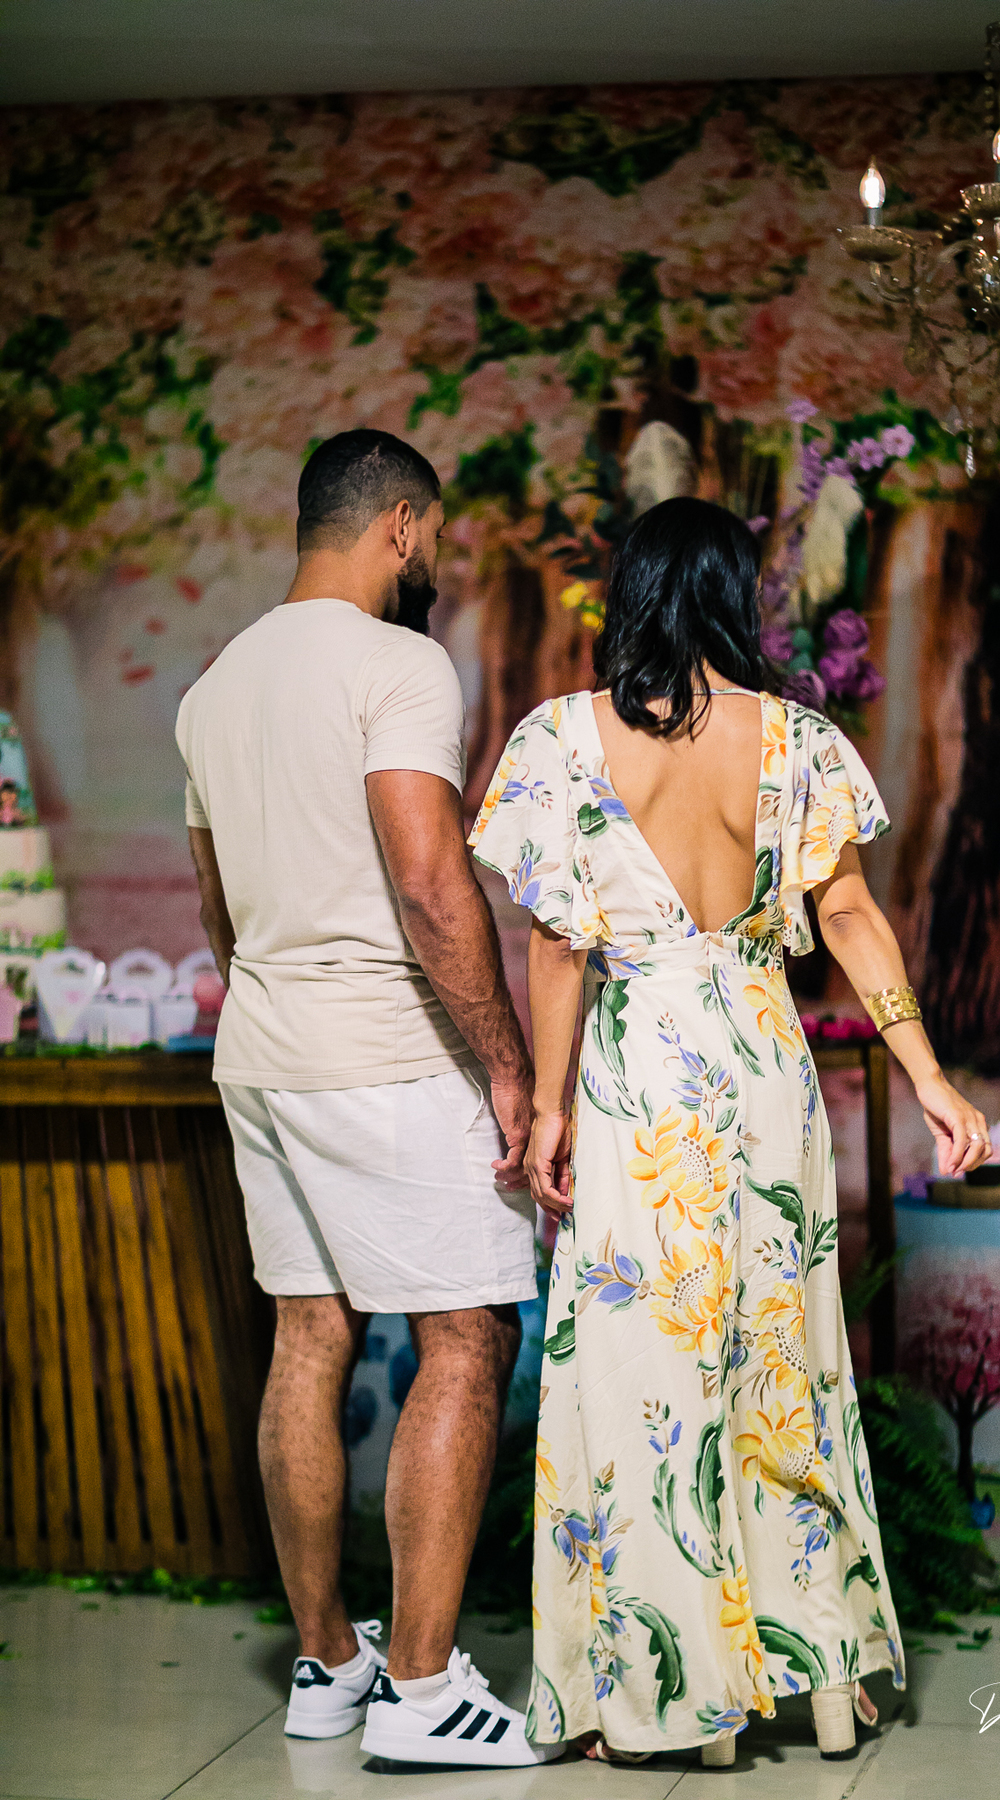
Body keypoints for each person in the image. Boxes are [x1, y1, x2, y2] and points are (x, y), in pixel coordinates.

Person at [470, 496, 992, 1767]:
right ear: (731, 595)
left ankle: (671, 1693)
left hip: (643, 1071)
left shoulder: (562, 740)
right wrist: (928, 1074)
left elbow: (558, 948)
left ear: (633, 595)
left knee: (645, 1372)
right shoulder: (800, 740)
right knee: (782, 1362)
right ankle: (817, 1670)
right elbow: (851, 914)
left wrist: (548, 1107)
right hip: (762, 1066)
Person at [176, 429, 561, 1769]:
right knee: (467, 1336)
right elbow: (430, 880)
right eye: (433, 535)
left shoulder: (215, 688)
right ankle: (423, 1688)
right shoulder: (398, 664)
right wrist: (506, 1060)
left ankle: (328, 1661)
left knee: (309, 1334)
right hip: (387, 1055)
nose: (433, 559)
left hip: (263, 1052)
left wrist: (281, 999)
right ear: (400, 523)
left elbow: (217, 910)